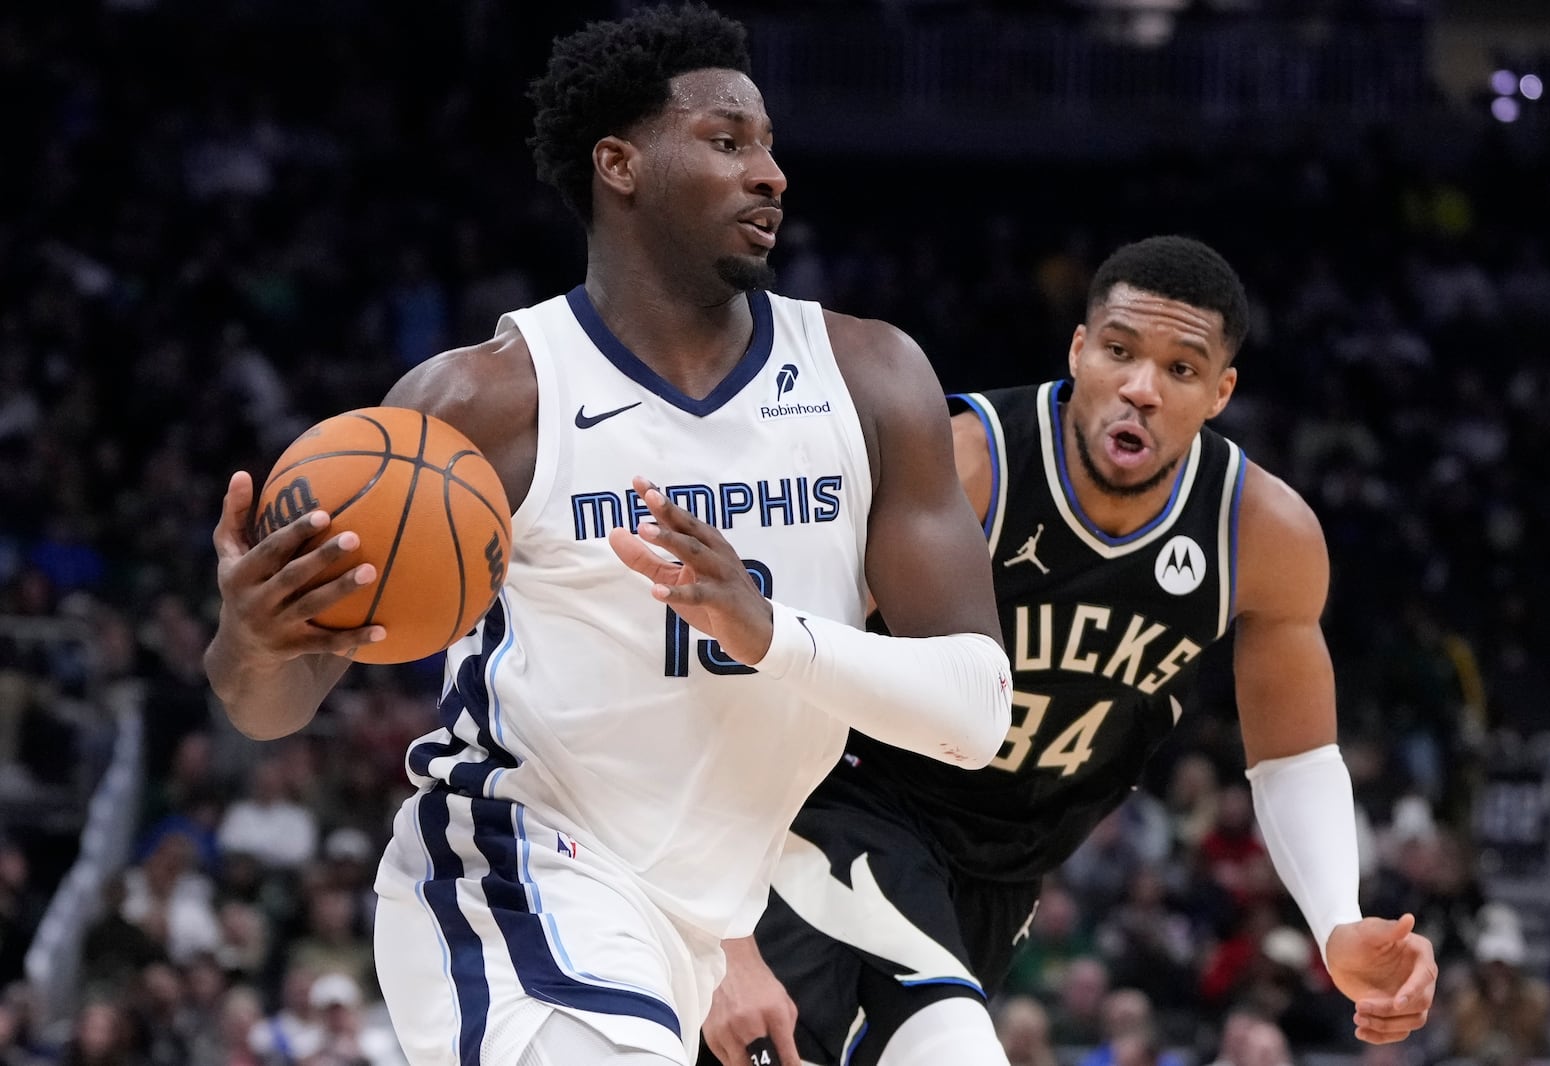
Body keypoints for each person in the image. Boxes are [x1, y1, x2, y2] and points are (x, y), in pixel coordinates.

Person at [202, 5, 1013, 1065]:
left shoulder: (873, 380)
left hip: (707, 911)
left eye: (769, 145)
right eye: (727, 142)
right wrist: (251, 638)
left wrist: (770, 634)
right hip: (516, 867)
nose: (769, 173)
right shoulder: (484, 402)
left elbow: (974, 714)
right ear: (619, 164)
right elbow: (276, 703)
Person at [701, 236, 1439, 1066]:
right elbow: (762, 664)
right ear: (1079, 350)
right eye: (1120, 352)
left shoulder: (1263, 534)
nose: (1141, 389)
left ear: (1221, 392)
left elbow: (1295, 755)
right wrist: (721, 924)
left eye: (1181, 370)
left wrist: (1338, 919)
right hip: (851, 808)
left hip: (1006, 868)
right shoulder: (971, 464)